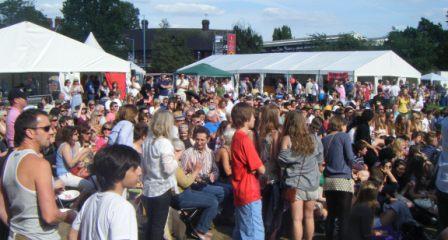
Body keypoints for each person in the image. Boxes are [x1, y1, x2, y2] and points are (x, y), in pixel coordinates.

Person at [0, 109, 76, 239]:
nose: (52, 131)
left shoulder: (7, 159)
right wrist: (72, 215)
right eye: (46, 128)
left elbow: (2, 206)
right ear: (29, 132)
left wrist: (18, 229)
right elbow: (50, 216)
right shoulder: (40, 164)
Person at [69, 145, 142, 240]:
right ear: (120, 172)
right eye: (135, 167)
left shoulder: (90, 200)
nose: (140, 171)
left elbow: (72, 234)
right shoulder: (122, 208)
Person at [279, 111, 324, 240]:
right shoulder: (314, 138)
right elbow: (320, 160)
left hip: (296, 184)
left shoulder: (288, 138)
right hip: (312, 183)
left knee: (297, 219)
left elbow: (282, 160)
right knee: (309, 217)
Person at [230, 102, 266, 240]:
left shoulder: (236, 136)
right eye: (253, 116)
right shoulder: (244, 139)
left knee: (242, 230)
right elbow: (260, 168)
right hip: (248, 190)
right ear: (246, 118)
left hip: (240, 188)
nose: (255, 119)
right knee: (254, 232)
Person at [141, 110, 178, 240]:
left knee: (151, 223)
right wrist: (176, 159)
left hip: (149, 187)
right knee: (158, 226)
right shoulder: (164, 143)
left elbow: (143, 168)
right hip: (161, 189)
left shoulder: (147, 142)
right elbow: (168, 169)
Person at [322, 115, 355, 240]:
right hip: (343, 179)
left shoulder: (325, 139)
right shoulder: (344, 136)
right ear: (340, 124)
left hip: (329, 179)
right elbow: (350, 157)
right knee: (344, 217)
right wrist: (360, 167)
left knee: (331, 214)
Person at [180, 126, 225, 204]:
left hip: (209, 182)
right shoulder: (188, 153)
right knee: (221, 192)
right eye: (197, 139)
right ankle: (213, 209)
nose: (199, 142)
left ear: (207, 140)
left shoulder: (210, 152)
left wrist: (213, 175)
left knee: (229, 188)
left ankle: (213, 210)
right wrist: (193, 175)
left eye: (202, 140)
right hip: (195, 185)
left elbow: (215, 170)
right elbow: (183, 174)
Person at [55, 126, 95, 192]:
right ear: (69, 136)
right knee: (90, 185)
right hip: (63, 175)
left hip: (70, 172)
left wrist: (87, 152)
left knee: (92, 178)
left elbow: (77, 160)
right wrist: (82, 152)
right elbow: (70, 164)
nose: (78, 135)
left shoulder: (76, 144)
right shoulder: (65, 146)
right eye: (75, 134)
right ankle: (78, 201)